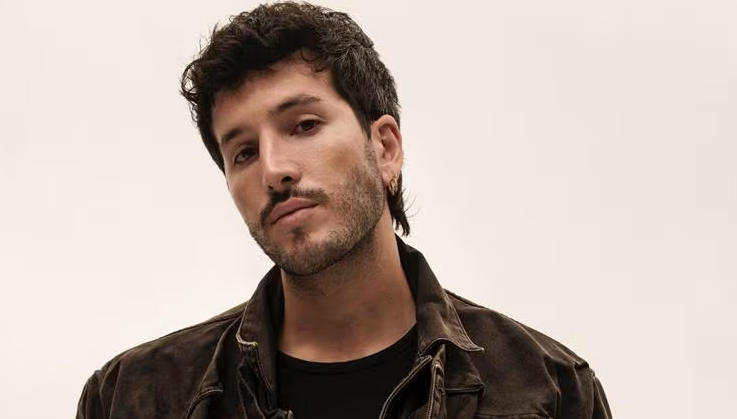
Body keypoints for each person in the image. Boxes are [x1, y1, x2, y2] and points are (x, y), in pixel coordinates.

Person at [75, 2, 612, 418]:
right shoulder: (133, 397)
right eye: (243, 152)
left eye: (304, 126)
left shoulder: (549, 389)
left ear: (385, 148)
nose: (273, 170)